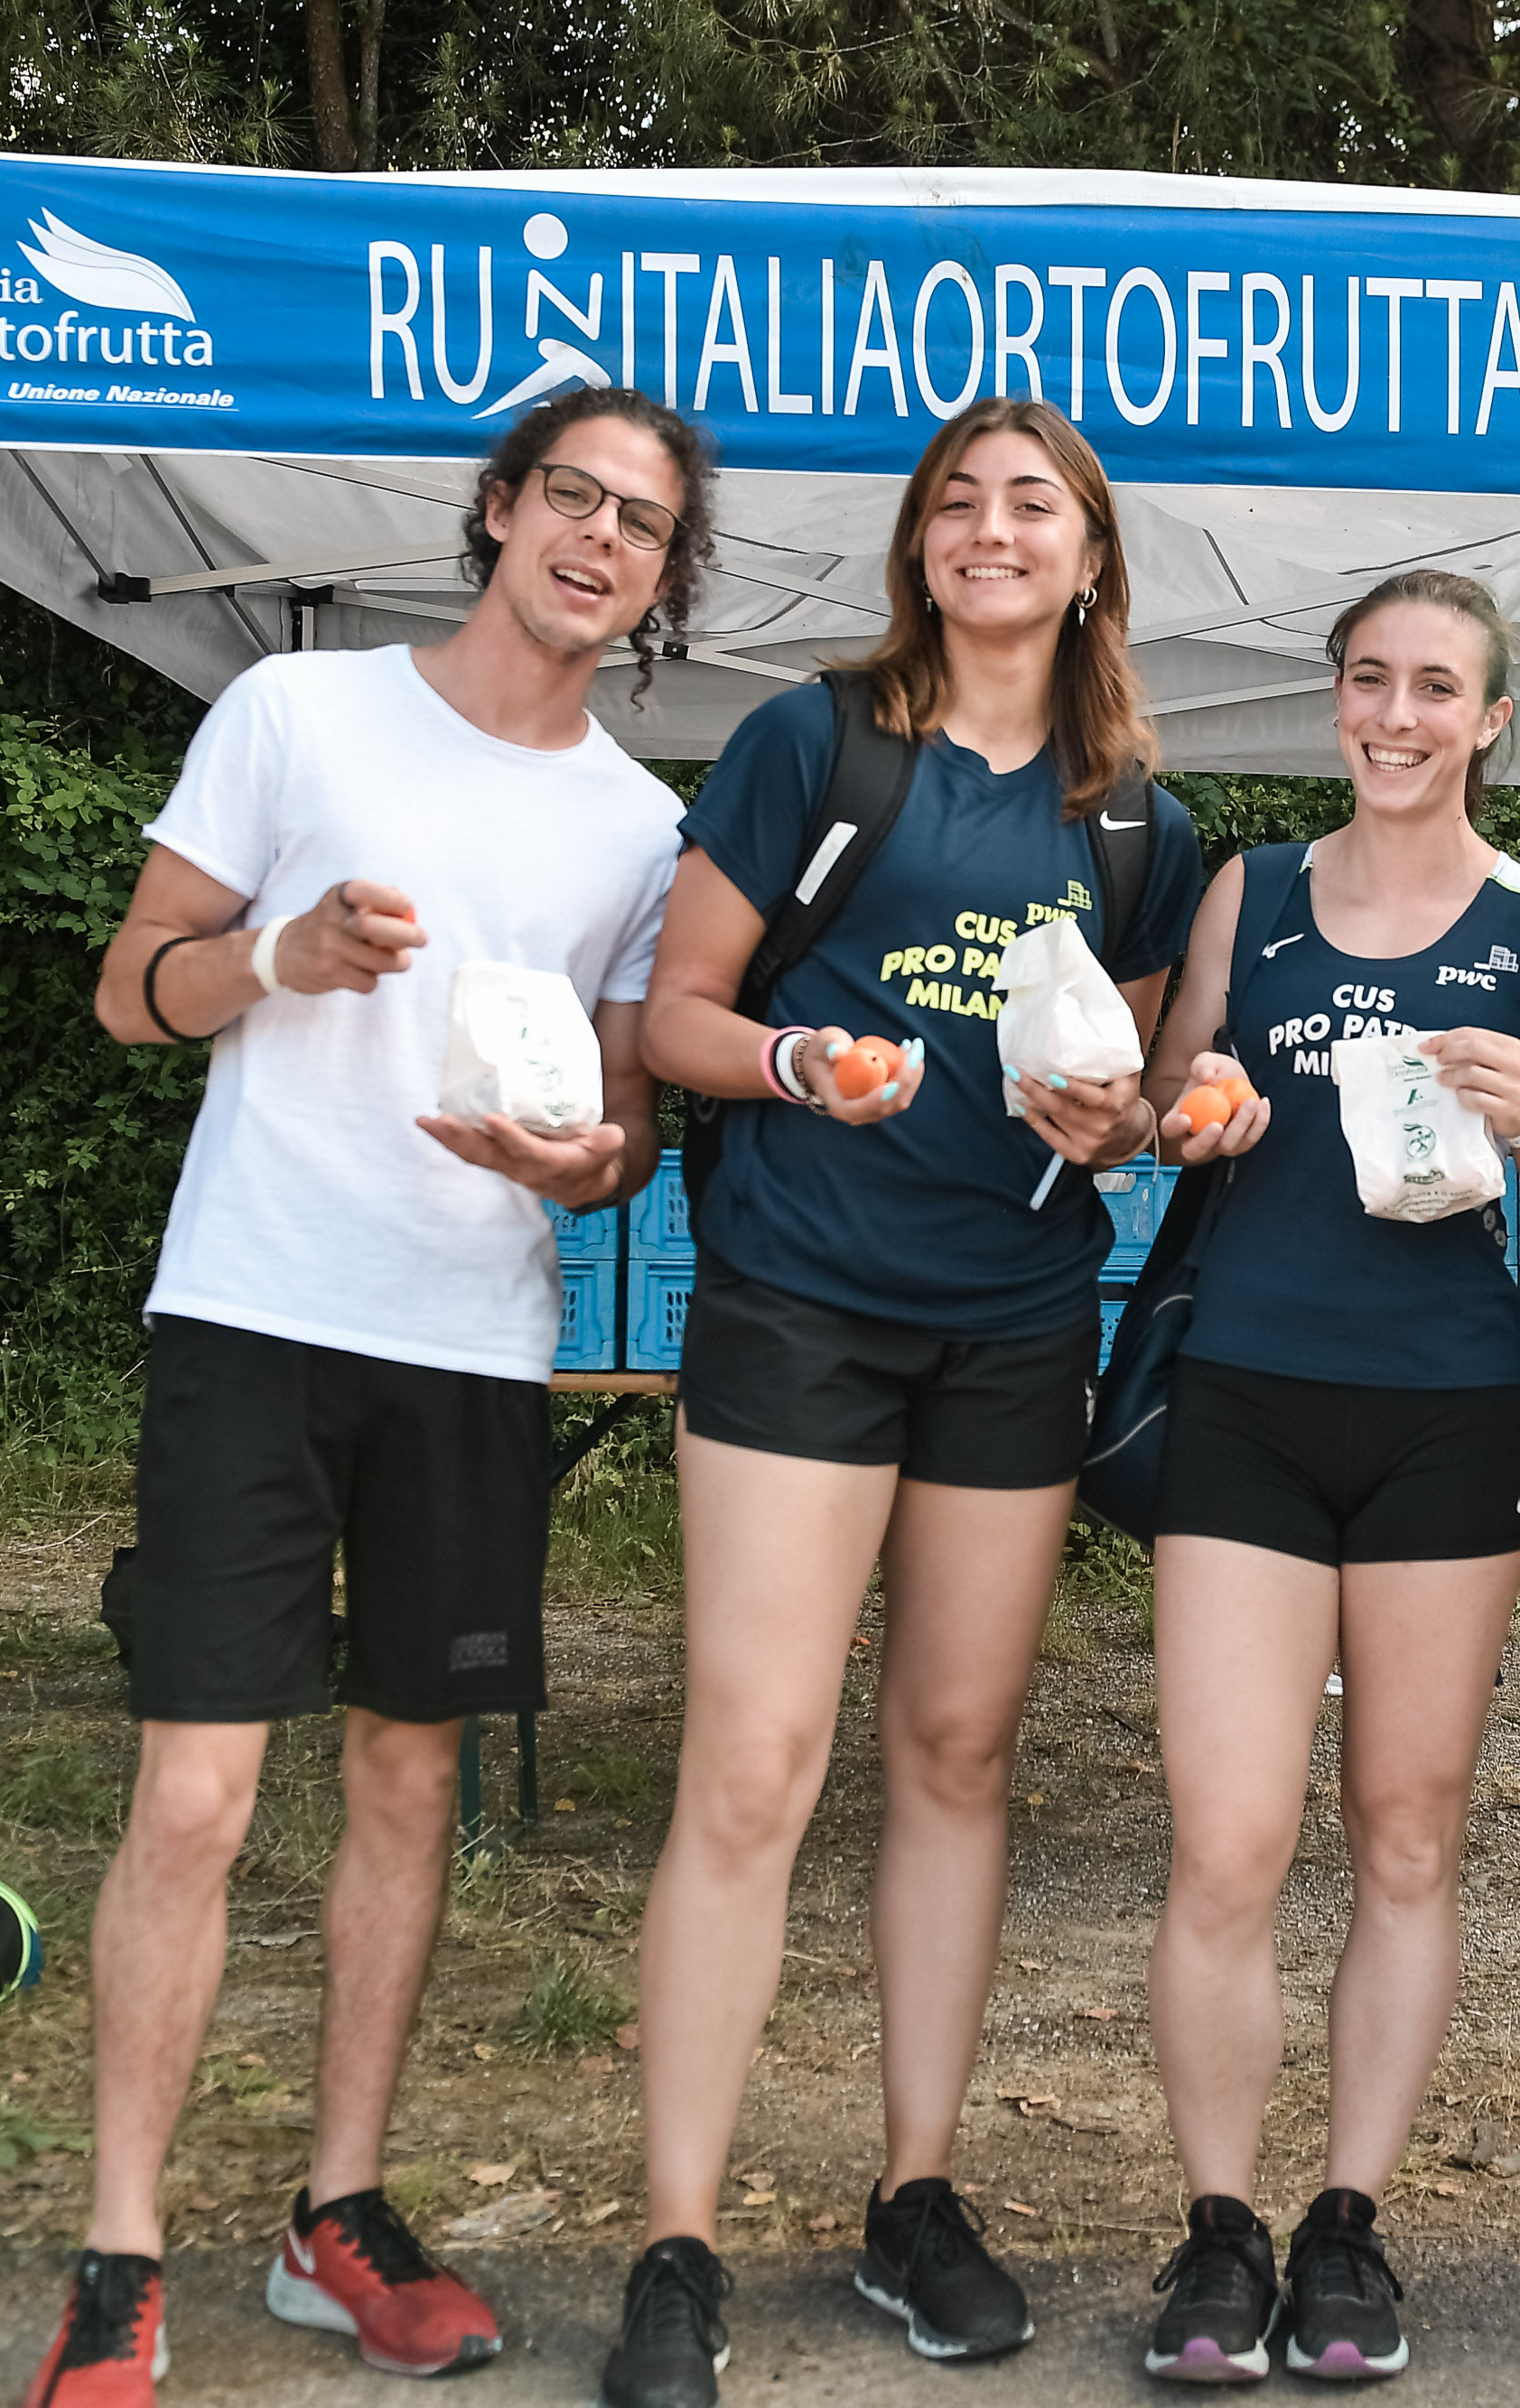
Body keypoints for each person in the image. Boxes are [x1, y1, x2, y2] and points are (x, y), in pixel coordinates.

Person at [23, 386, 715, 2408]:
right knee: (197, 1791)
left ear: (662, 584)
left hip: (471, 1341)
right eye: (572, 496)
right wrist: (280, 957)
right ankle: (119, 2256)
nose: (598, 540)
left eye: (643, 525)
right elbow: (130, 986)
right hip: (253, 1309)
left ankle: (337, 2215)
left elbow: (622, 1133)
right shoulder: (296, 713)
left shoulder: (638, 827)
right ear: (497, 511)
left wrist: (581, 1165)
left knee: (411, 1784)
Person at [599, 396, 1201, 2408]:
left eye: (1032, 504)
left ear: (1090, 560)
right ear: (918, 545)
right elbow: (679, 1013)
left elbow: (1127, 1096)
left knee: (955, 1752)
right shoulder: (817, 743)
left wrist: (1115, 1119)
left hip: (1013, 1318)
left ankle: (913, 2191)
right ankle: (675, 2238)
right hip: (801, 1304)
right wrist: (795, 1066)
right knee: (753, 1761)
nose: (990, 528)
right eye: (959, 501)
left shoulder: (1135, 820)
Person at [1128, 571, 1520, 2385]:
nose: (1394, 716)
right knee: (1226, 1841)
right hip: (1244, 1400)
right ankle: (1217, 2227)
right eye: (1367, 680)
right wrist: (1203, 1112)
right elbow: (1161, 1105)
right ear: (1334, 698)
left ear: (1490, 719)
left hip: (1441, 1412)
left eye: (1432, 687)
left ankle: (1345, 2222)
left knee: (1405, 1835)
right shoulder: (1248, 892)